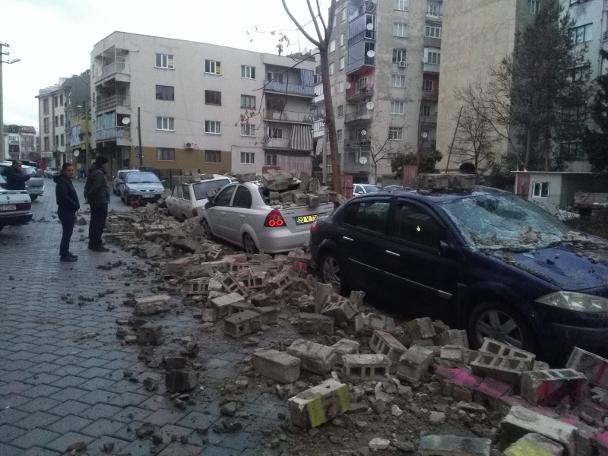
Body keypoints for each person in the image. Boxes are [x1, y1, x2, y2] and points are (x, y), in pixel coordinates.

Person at [54, 163, 80, 262]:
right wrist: (75, 205)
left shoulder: (66, 180)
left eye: (72, 170)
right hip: (66, 211)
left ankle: (65, 252)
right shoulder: (62, 182)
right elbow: (64, 198)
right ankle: (64, 256)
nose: (71, 172)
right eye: (69, 170)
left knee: (67, 234)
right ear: (64, 171)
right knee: (67, 234)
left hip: (67, 211)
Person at [84, 156, 110, 252]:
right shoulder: (99, 173)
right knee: (99, 224)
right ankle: (97, 244)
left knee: (94, 222)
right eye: (106, 163)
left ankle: (92, 243)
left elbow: (88, 187)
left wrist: (89, 198)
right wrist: (91, 197)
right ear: (102, 164)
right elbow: (96, 188)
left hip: (95, 201)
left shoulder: (93, 171)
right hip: (100, 201)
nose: (107, 165)